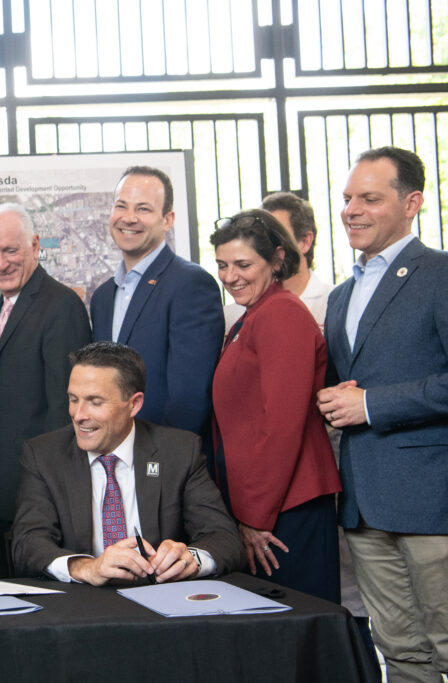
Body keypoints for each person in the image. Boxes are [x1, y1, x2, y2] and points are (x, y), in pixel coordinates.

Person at [318, 146, 448, 682]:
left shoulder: (438, 274)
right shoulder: (341, 293)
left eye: (370, 198)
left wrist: (370, 404)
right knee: (400, 650)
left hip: (432, 502)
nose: (352, 209)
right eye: (348, 198)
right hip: (363, 505)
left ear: (412, 202)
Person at [11, 342, 242, 584]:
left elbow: (224, 538)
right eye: (73, 399)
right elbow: (28, 543)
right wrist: (86, 567)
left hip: (160, 600)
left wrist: (190, 559)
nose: (78, 415)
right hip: (82, 604)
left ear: (134, 404)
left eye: (95, 402)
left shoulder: (180, 451)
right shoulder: (43, 455)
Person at [211, 209, 341, 603]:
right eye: (222, 265)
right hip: (269, 504)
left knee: (295, 623)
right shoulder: (251, 317)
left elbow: (282, 425)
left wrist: (255, 516)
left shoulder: (281, 315)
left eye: (243, 264)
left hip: (284, 508)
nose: (231, 276)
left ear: (277, 259)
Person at [0, 203, 91, 524]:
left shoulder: (61, 306)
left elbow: (66, 411)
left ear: (35, 245)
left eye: (10, 250)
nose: (1, 264)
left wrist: (53, 492)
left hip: (41, 490)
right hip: (5, 484)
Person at [90, 166, 224, 437]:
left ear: (167, 219)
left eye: (143, 209)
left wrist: (163, 462)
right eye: (121, 206)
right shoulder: (103, 296)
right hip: (112, 453)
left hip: (164, 459)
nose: (129, 218)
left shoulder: (191, 284)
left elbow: (190, 396)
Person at [223, 192, 333, 332]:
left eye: (276, 237)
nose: (265, 247)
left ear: (305, 241)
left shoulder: (334, 304)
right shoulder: (231, 317)